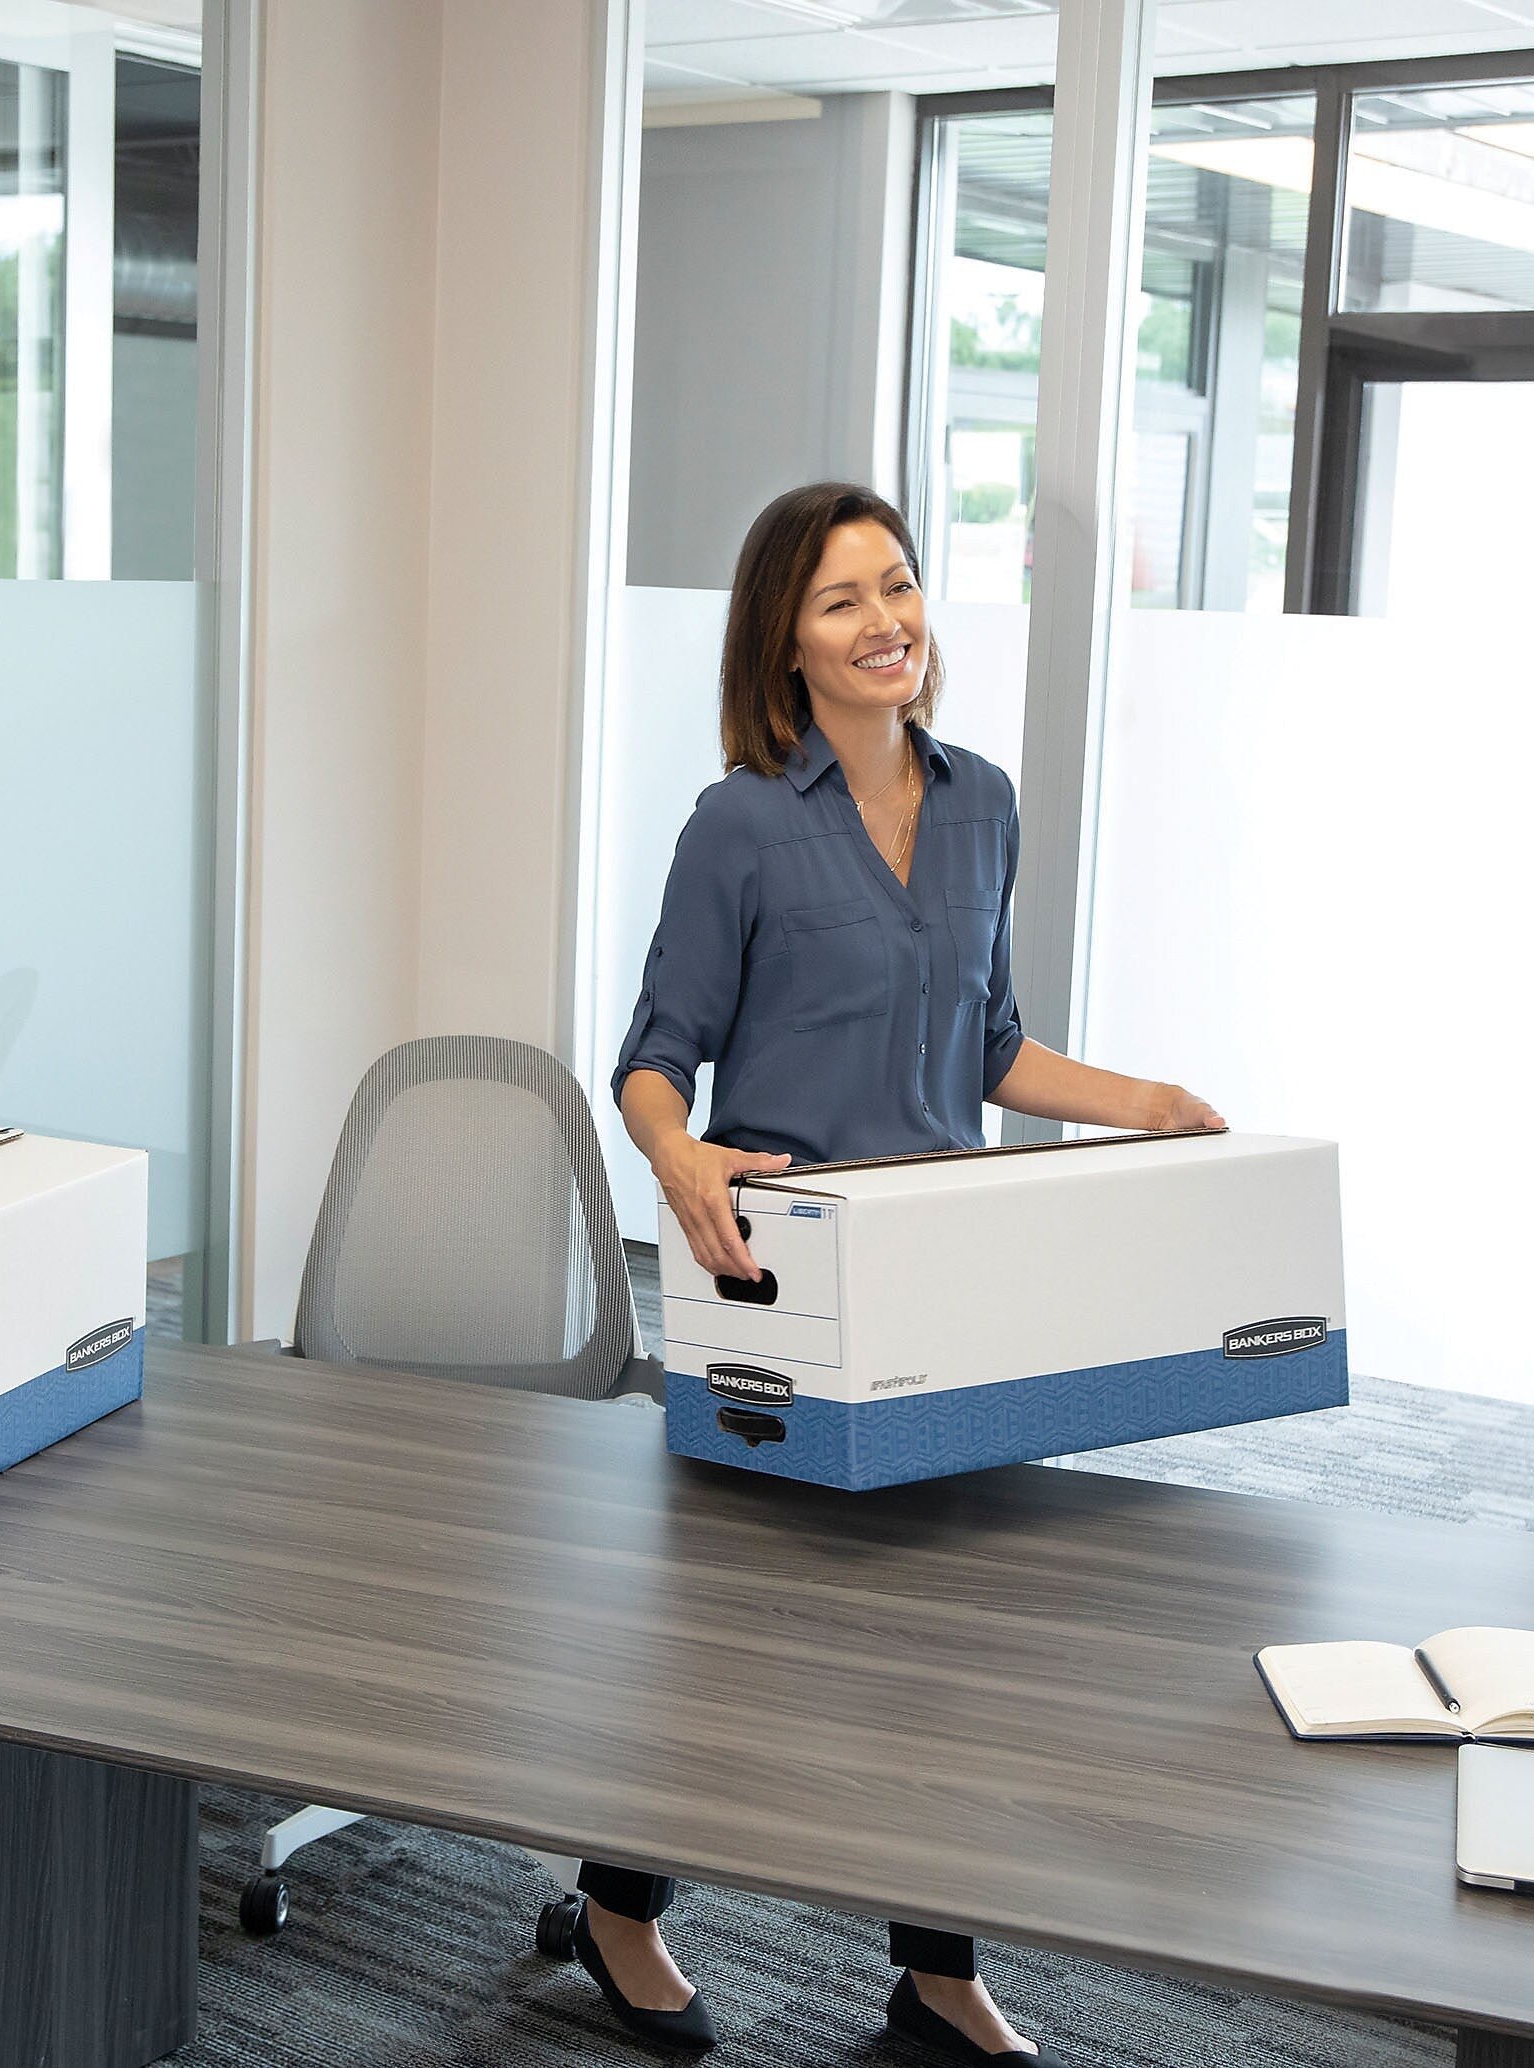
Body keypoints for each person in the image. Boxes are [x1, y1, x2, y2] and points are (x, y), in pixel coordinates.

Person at [576, 482, 1224, 2063]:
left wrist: (1141, 1103)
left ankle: (935, 1975)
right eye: (842, 601)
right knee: (732, 1637)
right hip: (778, 1283)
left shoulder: (985, 800)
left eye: (902, 585)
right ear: (785, 646)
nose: (888, 624)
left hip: (949, 1279)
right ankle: (615, 1907)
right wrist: (674, 1156)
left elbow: (989, 1043)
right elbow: (654, 1061)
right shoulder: (739, 823)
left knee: (956, 1642)